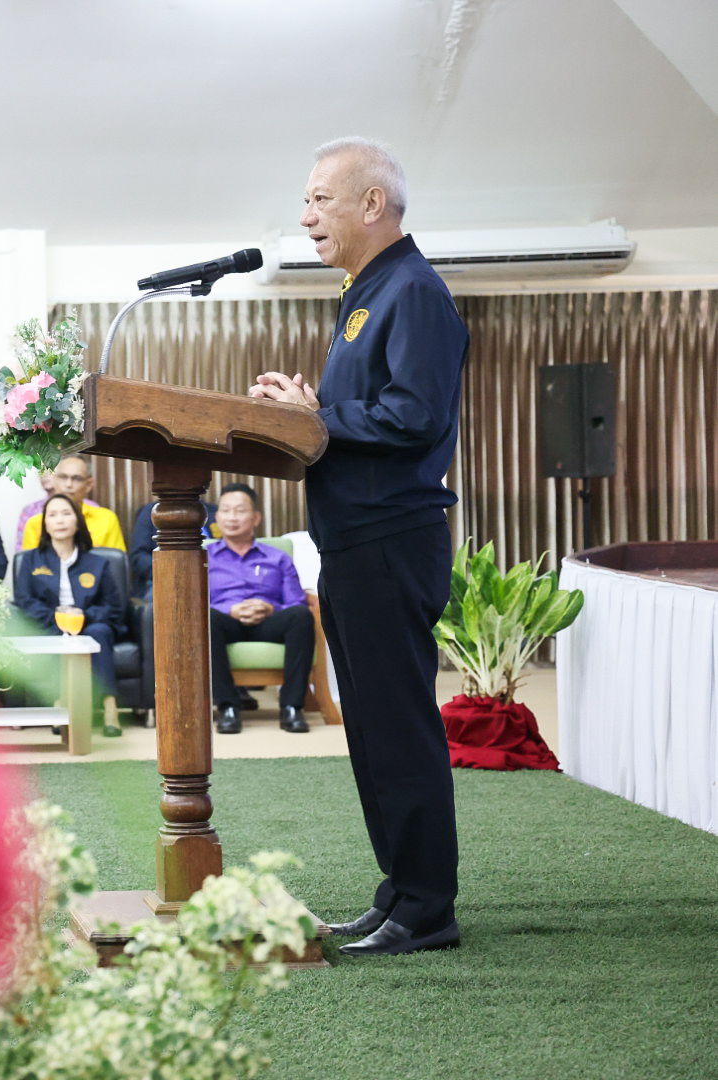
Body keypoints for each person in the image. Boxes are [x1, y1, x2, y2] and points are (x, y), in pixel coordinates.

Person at [250, 137, 467, 958]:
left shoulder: (411, 290)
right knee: (373, 731)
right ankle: (401, 894)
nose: (306, 217)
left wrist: (314, 419)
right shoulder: (365, 291)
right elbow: (363, 416)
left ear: (372, 203)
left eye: (320, 199)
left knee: (398, 729)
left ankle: (428, 910)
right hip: (353, 541)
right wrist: (310, 411)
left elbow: (414, 415)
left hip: (388, 539)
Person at [204, 483, 314, 735]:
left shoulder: (278, 558)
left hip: (268, 622)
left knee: (300, 616)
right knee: (205, 618)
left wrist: (270, 608)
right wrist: (230, 609)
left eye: (240, 510)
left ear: (255, 518)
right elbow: (195, 601)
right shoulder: (204, 556)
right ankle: (228, 707)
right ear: (217, 517)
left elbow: (296, 601)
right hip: (225, 622)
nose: (232, 517)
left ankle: (291, 708)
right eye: (226, 511)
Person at [12, 493, 125, 737]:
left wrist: (82, 616)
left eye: (66, 513)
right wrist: (57, 616)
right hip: (50, 622)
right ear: (45, 524)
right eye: (52, 515)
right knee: (57, 634)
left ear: (77, 521)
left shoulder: (97, 563)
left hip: (89, 624)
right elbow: (24, 600)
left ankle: (110, 708)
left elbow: (113, 606)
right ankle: (60, 702)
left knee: (99, 633)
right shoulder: (30, 560)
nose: (60, 520)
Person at [18, 455, 125, 552]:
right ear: (54, 480)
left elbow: (116, 563)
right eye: (63, 477)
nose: (68, 484)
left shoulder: (106, 519)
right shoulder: (35, 523)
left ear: (88, 484)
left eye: (77, 478)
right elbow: (29, 564)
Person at [128, 497, 219, 599]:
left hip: (213, 578)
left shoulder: (213, 511)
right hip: (163, 579)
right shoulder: (153, 512)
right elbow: (138, 556)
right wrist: (167, 573)